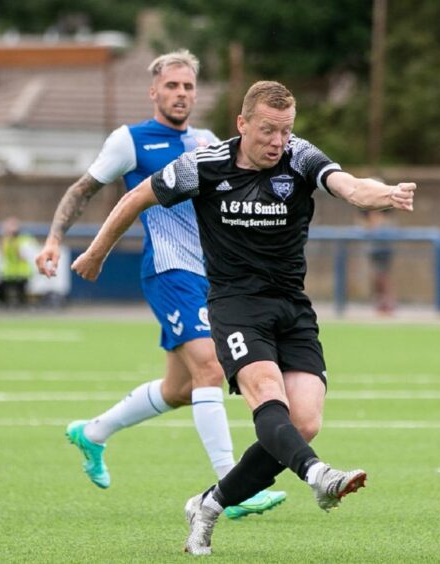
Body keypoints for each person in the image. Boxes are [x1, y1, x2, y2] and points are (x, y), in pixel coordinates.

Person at [71, 80, 416, 556]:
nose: (278, 141)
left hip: (292, 307)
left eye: (286, 130)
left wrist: (383, 195)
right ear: (242, 124)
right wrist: (95, 252)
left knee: (305, 422)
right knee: (268, 399)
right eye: (268, 131)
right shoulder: (205, 165)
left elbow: (350, 186)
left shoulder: (299, 157)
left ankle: (209, 504)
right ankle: (318, 475)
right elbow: (135, 198)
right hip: (236, 307)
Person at [34, 50, 285, 519]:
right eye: (171, 86)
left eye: (188, 86)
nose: (180, 94)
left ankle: (92, 433)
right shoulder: (129, 141)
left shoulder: (208, 140)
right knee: (211, 368)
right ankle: (235, 489)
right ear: (154, 91)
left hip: (211, 275)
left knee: (182, 388)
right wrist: (53, 240)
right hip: (170, 271)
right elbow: (82, 189)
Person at [0, 216, 36, 307]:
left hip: (22, 273)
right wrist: (2, 237)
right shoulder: (6, 240)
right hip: (9, 273)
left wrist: (14, 242)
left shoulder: (25, 239)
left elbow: (23, 256)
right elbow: (1, 253)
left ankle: (22, 308)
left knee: (21, 293)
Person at [362, 208, 396, 314]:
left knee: (383, 278)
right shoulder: (367, 216)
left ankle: (389, 304)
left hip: (383, 251)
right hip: (374, 251)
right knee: (376, 278)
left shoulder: (385, 220)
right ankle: (381, 303)